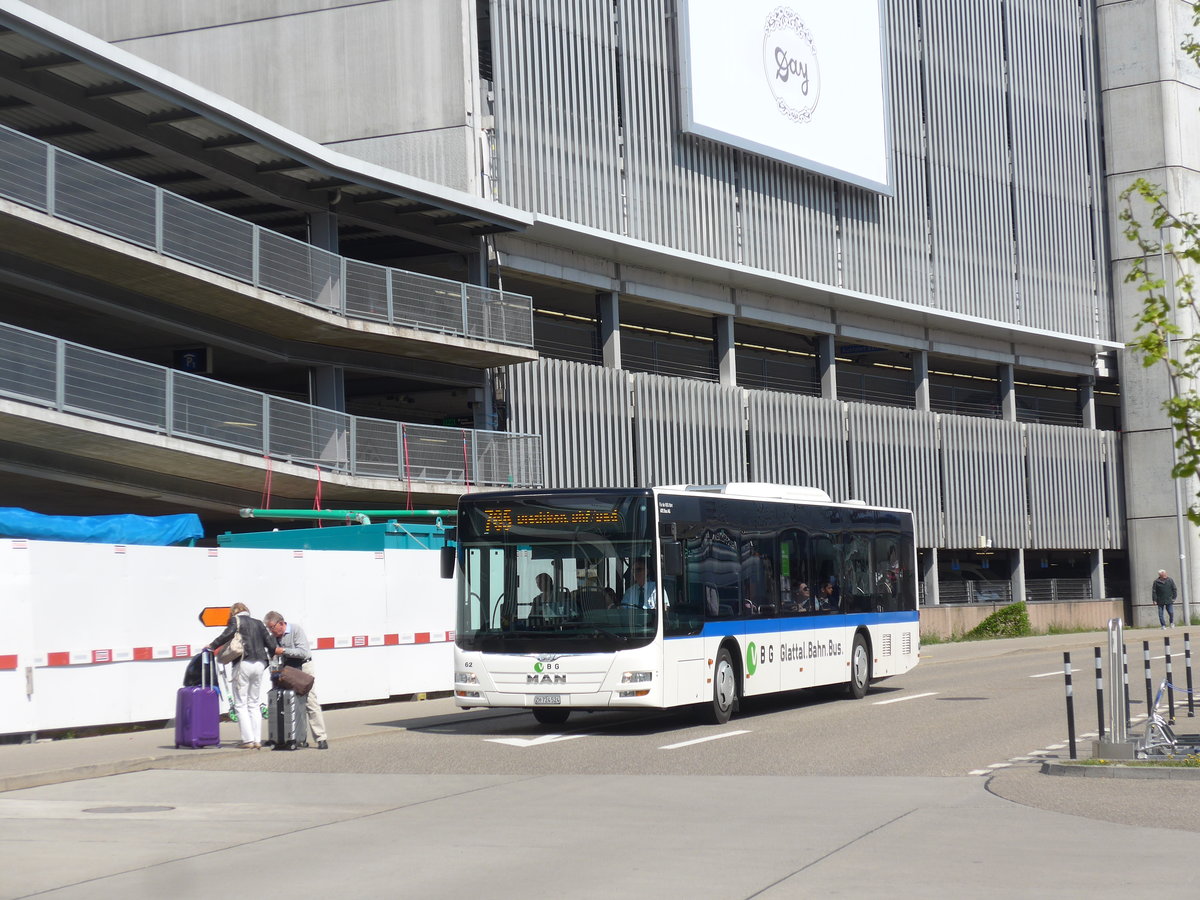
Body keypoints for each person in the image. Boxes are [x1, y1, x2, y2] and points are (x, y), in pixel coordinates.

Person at [207, 602, 276, 749]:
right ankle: (257, 740)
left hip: (244, 662)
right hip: (260, 664)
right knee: (254, 702)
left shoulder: (236, 620)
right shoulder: (258, 623)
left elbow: (226, 634)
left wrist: (212, 646)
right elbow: (270, 643)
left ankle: (248, 740)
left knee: (240, 703)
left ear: (234, 612)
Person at [264, 610, 328, 750]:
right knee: (294, 704)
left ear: (281, 623)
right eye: (269, 628)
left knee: (310, 702)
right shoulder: (274, 637)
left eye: (272, 627)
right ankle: (298, 738)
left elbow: (303, 652)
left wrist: (284, 651)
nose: (271, 631)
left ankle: (321, 738)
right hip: (288, 669)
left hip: (304, 667)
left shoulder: (296, 630)